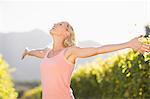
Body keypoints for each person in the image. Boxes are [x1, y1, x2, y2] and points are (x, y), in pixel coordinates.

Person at [21, 21, 150, 99]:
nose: (55, 24)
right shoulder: (46, 52)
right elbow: (36, 52)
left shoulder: (70, 52)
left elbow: (97, 50)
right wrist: (27, 52)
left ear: (67, 33)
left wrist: (128, 44)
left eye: (60, 24)